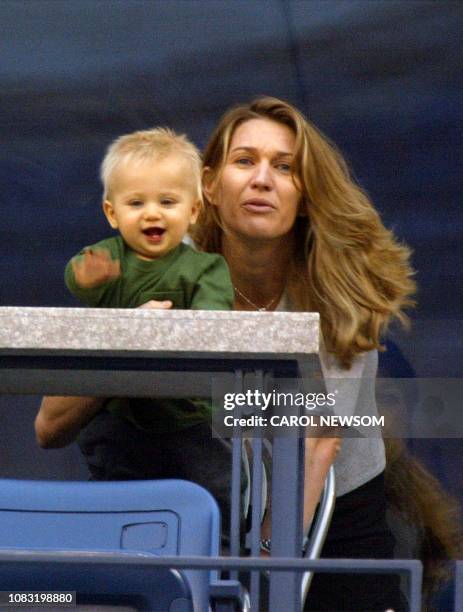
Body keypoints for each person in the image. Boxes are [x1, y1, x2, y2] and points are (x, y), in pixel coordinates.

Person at [37, 96, 414, 610]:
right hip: (201, 503)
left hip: (330, 509)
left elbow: (316, 445)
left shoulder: (337, 292)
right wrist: (132, 339)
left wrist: (257, 570)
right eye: (244, 161)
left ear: (304, 196)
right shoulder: (158, 252)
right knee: (47, 594)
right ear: (207, 188)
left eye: (284, 167)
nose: (262, 179)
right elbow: (49, 426)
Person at [36, 126, 239, 531]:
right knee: (111, 484)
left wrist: (177, 328)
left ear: (194, 211)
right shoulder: (110, 258)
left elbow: (215, 321)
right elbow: (76, 276)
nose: (152, 213)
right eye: (136, 203)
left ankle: (221, 543)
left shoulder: (205, 267)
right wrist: (88, 277)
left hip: (186, 418)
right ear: (112, 213)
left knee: (217, 490)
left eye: (167, 201)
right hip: (120, 417)